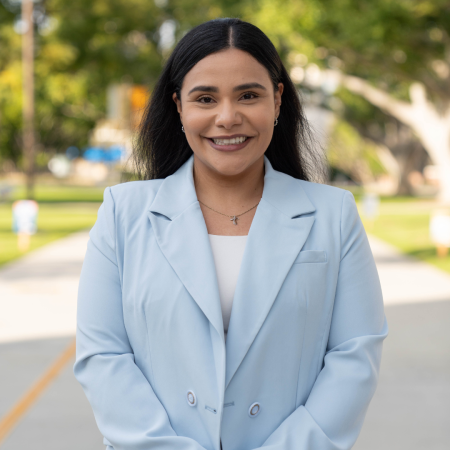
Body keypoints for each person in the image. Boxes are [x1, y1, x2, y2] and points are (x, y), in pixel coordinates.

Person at [74, 17, 388, 450]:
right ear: (179, 106)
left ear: (278, 101)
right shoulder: (122, 214)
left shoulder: (334, 215)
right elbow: (103, 357)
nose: (227, 117)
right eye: (205, 98)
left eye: (248, 95)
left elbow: (355, 357)